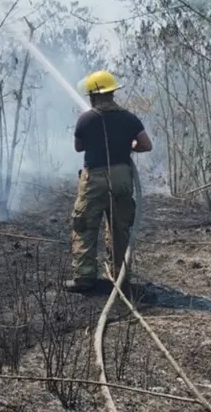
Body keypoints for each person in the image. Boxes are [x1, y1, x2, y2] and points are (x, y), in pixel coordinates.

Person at [64, 70, 153, 293]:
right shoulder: (130, 118)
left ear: (93, 95)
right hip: (123, 177)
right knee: (120, 226)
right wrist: (128, 145)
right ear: (112, 93)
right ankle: (120, 275)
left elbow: (78, 147)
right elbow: (145, 145)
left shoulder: (86, 119)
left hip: (94, 178)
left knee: (84, 224)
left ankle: (84, 278)